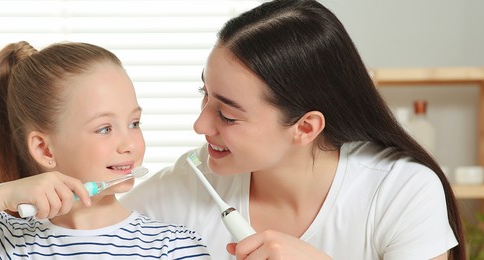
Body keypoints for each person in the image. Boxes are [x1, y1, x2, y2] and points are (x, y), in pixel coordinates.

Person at [120, 0, 464, 259]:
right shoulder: (193, 179)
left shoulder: (399, 190)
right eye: (204, 95)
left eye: (227, 115)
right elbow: (88, 224)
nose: (199, 125)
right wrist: (66, 194)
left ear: (305, 127)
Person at [0, 41, 210, 259]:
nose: (130, 145)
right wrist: (1, 196)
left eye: (134, 123)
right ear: (44, 149)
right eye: (105, 128)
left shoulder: (172, 246)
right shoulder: (4, 240)